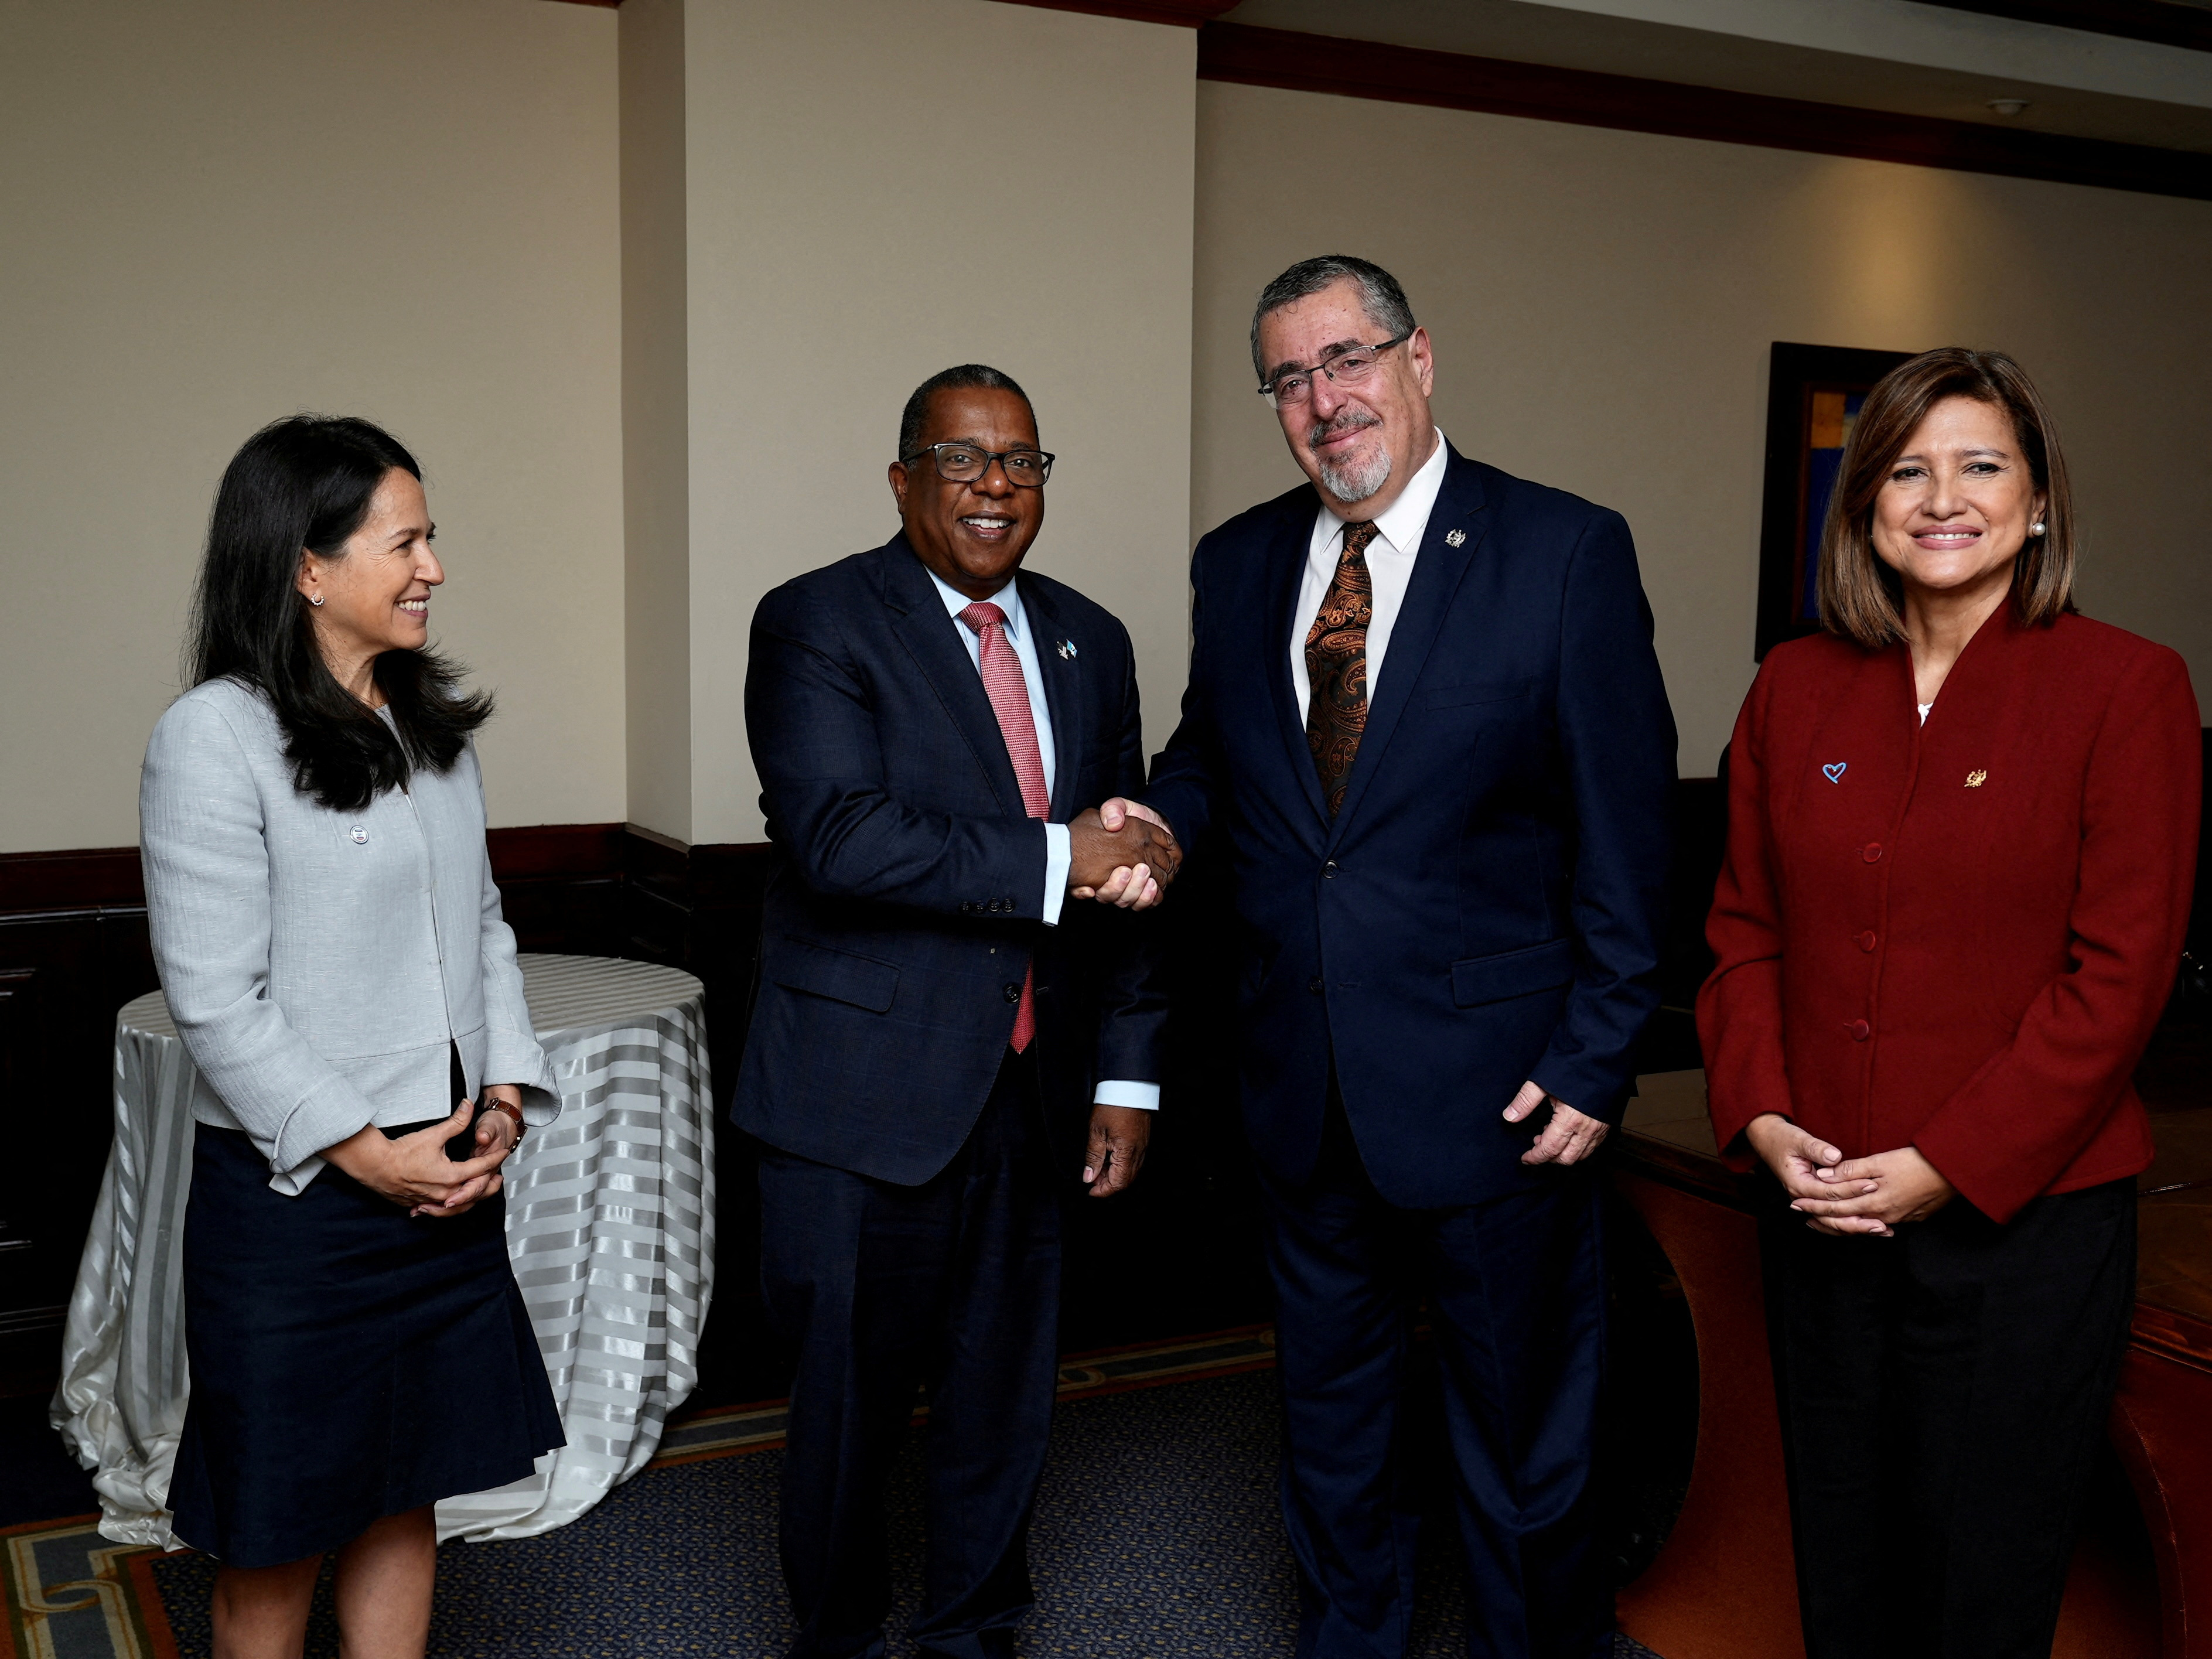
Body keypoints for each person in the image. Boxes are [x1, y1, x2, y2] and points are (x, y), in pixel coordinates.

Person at [1131, 256, 1677, 1657]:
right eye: (1291, 378)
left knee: (1521, 1437)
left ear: (1419, 360)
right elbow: (1219, 758)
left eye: (1350, 359)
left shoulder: (1563, 551)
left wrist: (1597, 1058)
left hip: (1503, 1096)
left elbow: (1626, 830)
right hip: (1299, 1084)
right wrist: (1159, 822)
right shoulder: (1240, 559)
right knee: (1328, 1416)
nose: (1326, 401)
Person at [1699, 348, 2199, 1659]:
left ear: (2038, 506)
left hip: (2020, 1231)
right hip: (1820, 1208)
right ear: (1864, 504)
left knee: (1980, 1580)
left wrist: (1943, 1165)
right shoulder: (1793, 686)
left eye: (1981, 466)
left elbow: (2119, 978)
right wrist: (1757, 1115)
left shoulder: (2125, 688)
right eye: (1907, 470)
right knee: (1844, 1563)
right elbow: (1741, 933)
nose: (1942, 497)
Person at [736, 364, 1180, 1659]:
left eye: (1023, 462)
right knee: (846, 1409)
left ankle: (978, 1628)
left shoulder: (1090, 636)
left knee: (1004, 1397)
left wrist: (1127, 1075)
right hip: (857, 1098)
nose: (997, 484)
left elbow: (1133, 866)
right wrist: (1060, 858)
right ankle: (837, 1636)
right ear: (903, 479)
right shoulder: (817, 620)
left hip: (1036, 1093)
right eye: (964, 457)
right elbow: (841, 837)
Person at [138, 415, 562, 1659]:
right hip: (295, 1218)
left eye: (431, 538)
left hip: (442, 1194)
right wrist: (367, 1153)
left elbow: (482, 928)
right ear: (306, 566)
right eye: (405, 541)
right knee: (274, 1541)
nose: (432, 566)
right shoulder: (213, 737)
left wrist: (501, 1101)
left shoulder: (431, 731)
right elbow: (216, 997)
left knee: (400, 1502)